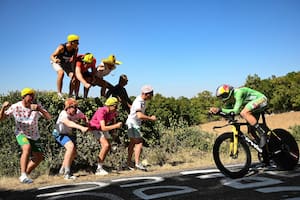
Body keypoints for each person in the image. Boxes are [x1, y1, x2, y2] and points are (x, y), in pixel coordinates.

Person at [0, 88, 52, 183]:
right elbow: (1, 118)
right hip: (21, 133)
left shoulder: (36, 106)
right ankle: (23, 175)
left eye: (33, 96)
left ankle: (24, 176)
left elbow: (49, 118)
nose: (32, 98)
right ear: (23, 97)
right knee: (26, 147)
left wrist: (39, 109)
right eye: (30, 96)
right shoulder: (16, 106)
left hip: (34, 135)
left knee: (39, 157)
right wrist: (3, 108)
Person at [53, 98, 89, 180]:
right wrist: (81, 127)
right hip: (59, 134)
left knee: (74, 153)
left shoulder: (77, 112)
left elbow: (84, 117)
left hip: (68, 134)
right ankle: (67, 173)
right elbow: (68, 123)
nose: (75, 110)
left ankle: (62, 170)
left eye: (76, 107)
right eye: (73, 108)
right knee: (70, 147)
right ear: (67, 108)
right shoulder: (63, 114)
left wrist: (87, 123)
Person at [89, 97, 123, 175]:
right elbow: (103, 127)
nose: (117, 108)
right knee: (106, 145)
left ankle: (100, 165)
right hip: (95, 128)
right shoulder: (101, 111)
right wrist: (116, 126)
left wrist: (114, 131)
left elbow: (114, 118)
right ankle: (98, 169)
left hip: (102, 129)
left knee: (108, 147)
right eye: (115, 106)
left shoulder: (113, 111)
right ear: (110, 106)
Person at [126, 85, 157, 171]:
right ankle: (137, 163)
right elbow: (139, 115)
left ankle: (129, 163)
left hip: (131, 122)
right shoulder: (139, 101)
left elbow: (133, 108)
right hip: (133, 123)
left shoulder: (140, 100)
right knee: (139, 142)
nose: (152, 96)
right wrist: (151, 118)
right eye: (151, 94)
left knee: (132, 143)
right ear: (146, 94)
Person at [50, 34, 79, 99]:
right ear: (71, 42)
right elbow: (51, 56)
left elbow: (74, 59)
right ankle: (59, 93)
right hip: (57, 62)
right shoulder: (61, 47)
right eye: (76, 42)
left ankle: (70, 95)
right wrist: (55, 60)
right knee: (61, 73)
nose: (78, 44)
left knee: (74, 77)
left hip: (66, 63)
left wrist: (73, 69)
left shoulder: (76, 49)